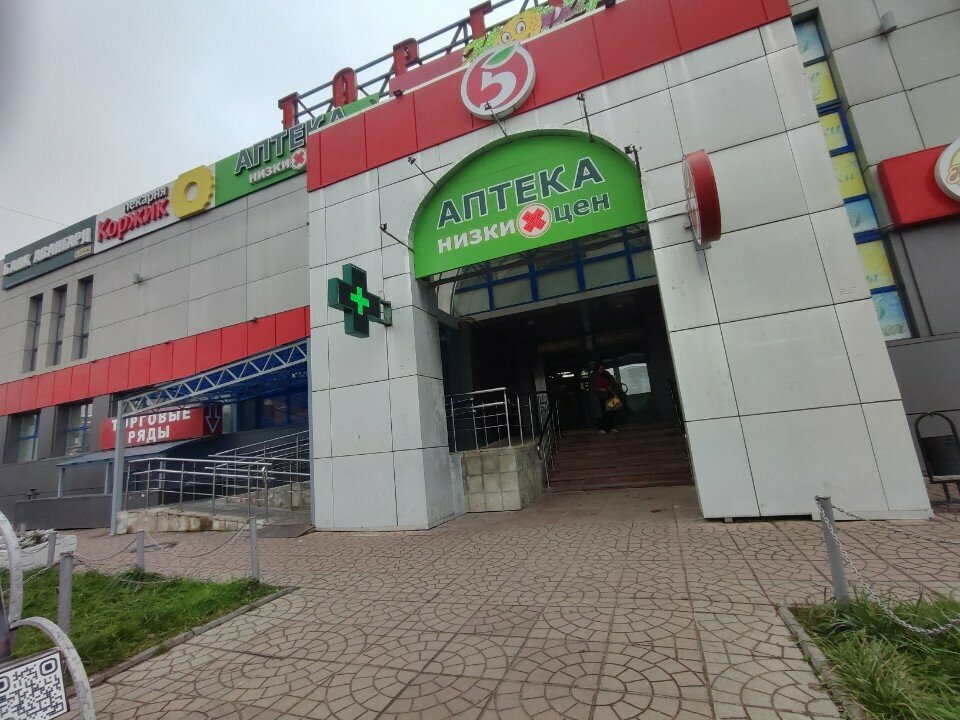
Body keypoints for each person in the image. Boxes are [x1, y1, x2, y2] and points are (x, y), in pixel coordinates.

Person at [592, 363, 620, 435]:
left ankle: (612, 427)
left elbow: (613, 382)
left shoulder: (606, 373)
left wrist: (611, 387)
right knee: (601, 413)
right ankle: (601, 429)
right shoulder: (593, 375)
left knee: (610, 412)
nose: (602, 370)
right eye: (600, 368)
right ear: (597, 369)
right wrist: (599, 389)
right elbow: (592, 386)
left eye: (603, 368)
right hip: (600, 397)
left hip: (609, 395)